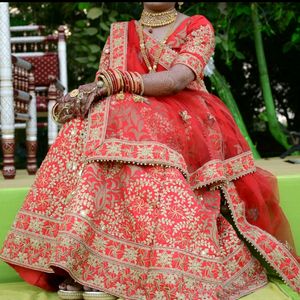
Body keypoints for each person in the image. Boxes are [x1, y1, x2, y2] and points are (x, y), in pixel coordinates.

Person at [0, 2, 299, 299]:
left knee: (122, 117)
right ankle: (87, 261)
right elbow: (102, 88)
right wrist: (81, 97)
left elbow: (177, 79)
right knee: (94, 119)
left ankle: (126, 268)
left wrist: (114, 82)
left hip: (187, 115)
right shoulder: (121, 32)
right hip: (127, 111)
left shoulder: (197, 26)